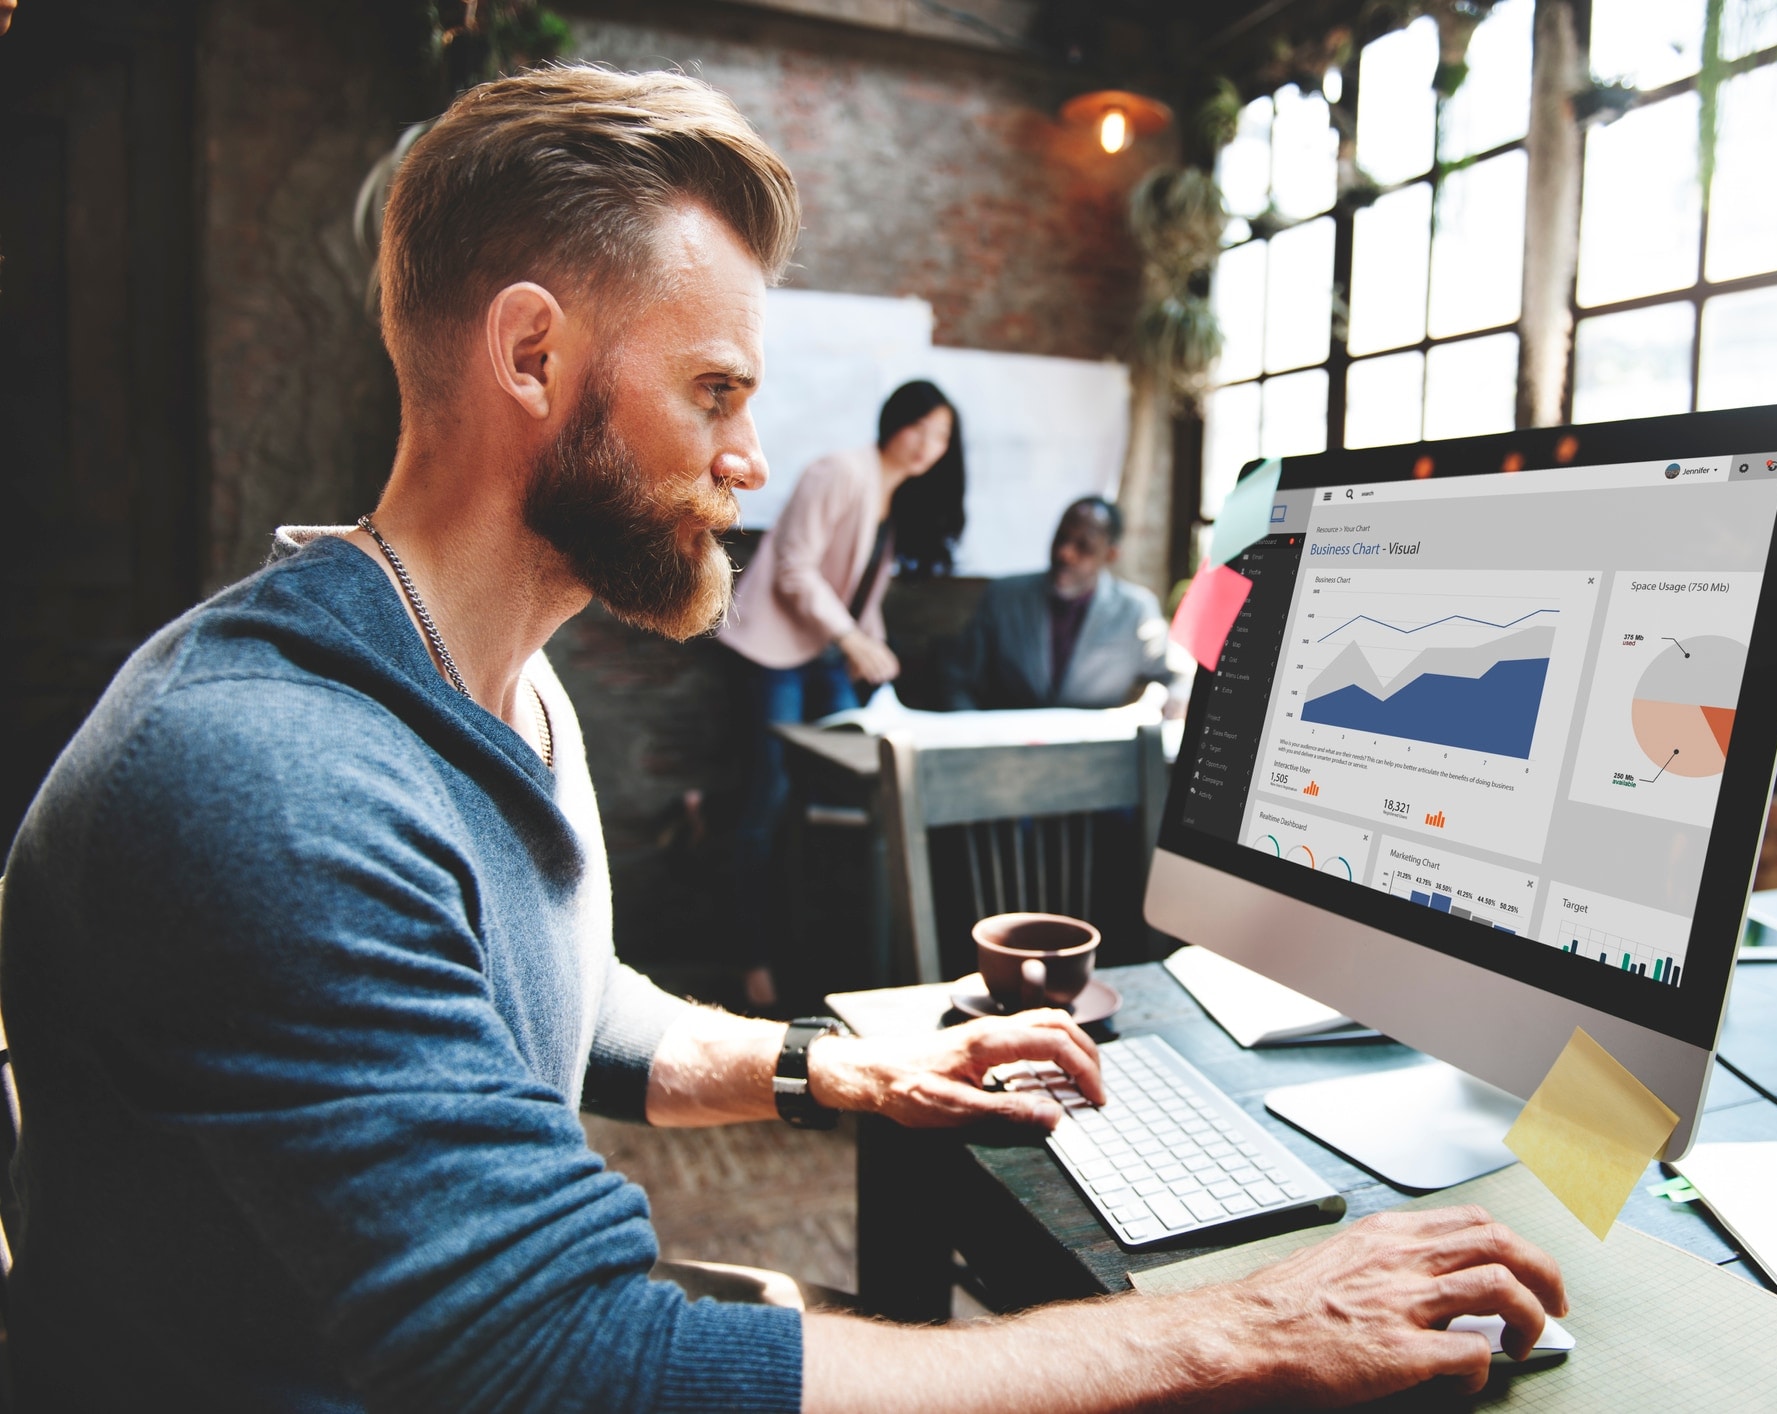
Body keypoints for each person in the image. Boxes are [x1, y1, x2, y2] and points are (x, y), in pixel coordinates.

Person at [0, 66, 1565, 1412]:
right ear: (531, 357)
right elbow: (577, 1359)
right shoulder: (267, 781)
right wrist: (1237, 1329)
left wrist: (847, 1069)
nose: (751, 457)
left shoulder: (496, 686)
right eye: (716, 390)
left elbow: (562, 1004)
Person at [716, 379, 963, 1007]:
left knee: (838, 799)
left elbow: (861, 594)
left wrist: (872, 651)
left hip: (825, 655)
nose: (927, 447)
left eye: (941, 439)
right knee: (767, 799)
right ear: (894, 421)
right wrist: (854, 639)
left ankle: (818, 952)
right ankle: (749, 957)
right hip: (774, 651)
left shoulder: (894, 498)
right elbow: (795, 569)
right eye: (921, 429)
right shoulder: (839, 471)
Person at [947, 496, 1183, 714]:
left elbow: (1175, 675)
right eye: (1061, 538)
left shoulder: (1135, 610)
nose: (1065, 553)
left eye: (1084, 545)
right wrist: (974, 734)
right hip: (1009, 747)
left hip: (1096, 750)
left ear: (1110, 554)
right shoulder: (1004, 597)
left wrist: (1176, 697)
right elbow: (958, 679)